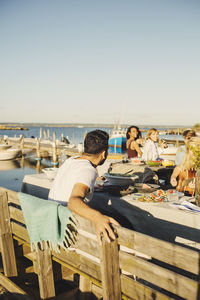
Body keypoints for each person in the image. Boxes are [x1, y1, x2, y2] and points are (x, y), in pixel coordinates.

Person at [48, 130, 119, 244]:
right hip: (67, 231)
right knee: (118, 219)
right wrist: (97, 217)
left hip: (54, 220)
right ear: (104, 153)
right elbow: (73, 201)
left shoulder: (70, 161)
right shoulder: (88, 170)